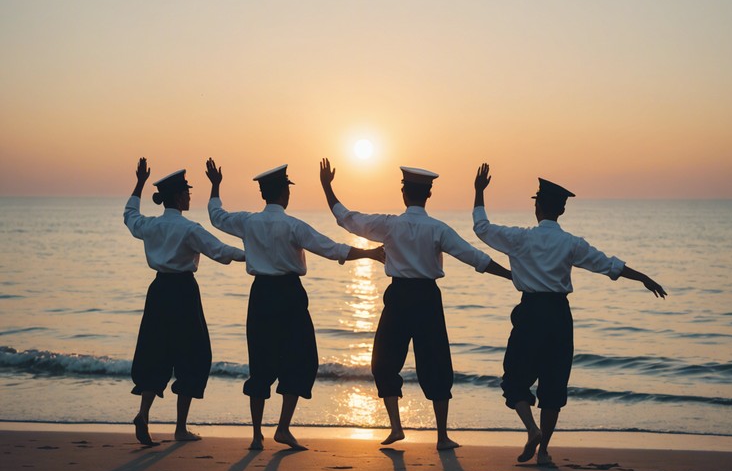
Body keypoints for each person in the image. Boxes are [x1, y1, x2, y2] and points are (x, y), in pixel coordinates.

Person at [472, 163, 667, 466]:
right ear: (561, 211)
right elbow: (608, 265)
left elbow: (482, 228)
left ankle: (532, 430)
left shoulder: (520, 238)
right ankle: (545, 450)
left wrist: (479, 193)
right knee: (554, 380)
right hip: (559, 315)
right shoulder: (571, 243)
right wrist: (642, 277)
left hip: (531, 311)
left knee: (514, 378)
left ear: (538, 208)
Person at [320, 158, 512, 451]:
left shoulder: (389, 225)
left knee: (384, 362)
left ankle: (397, 427)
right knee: (436, 363)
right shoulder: (438, 229)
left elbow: (348, 219)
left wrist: (327, 187)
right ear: (429, 194)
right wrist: (510, 274)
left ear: (403, 193)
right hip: (427, 298)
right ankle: (442, 436)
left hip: (399, 298)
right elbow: (474, 257)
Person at [206, 158, 384, 451]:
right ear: (284, 194)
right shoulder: (293, 225)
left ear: (264, 194)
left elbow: (216, 216)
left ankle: (255, 435)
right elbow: (331, 249)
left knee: (260, 361)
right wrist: (369, 253)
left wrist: (215, 185)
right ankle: (283, 428)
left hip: (260, 294)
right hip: (289, 294)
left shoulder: (248, 222)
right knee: (301, 360)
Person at [124, 158, 246, 446]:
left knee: (155, 352)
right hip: (183, 292)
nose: (190, 197)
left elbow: (129, 214)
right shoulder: (189, 229)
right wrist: (254, 255)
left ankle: (144, 413)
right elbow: (220, 251)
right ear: (179, 197)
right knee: (193, 354)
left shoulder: (149, 225)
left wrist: (140, 182)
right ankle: (180, 427)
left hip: (158, 291)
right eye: (188, 193)